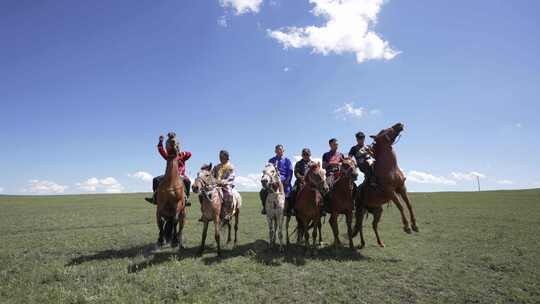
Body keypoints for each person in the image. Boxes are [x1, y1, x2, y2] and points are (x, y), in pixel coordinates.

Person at [145, 132, 192, 205]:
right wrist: (160, 141)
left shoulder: (181, 157)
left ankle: (186, 198)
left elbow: (189, 154)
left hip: (180, 175)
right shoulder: (168, 157)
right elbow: (161, 151)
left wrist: (182, 153)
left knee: (188, 181)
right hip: (168, 175)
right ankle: (155, 197)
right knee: (155, 180)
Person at [259, 144, 293, 215]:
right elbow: (267, 171)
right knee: (262, 192)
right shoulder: (271, 160)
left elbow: (290, 172)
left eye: (280, 150)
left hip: (284, 181)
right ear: (275, 151)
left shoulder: (287, 160)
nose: (279, 151)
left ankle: (290, 209)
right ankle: (265, 208)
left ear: (283, 151)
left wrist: (287, 181)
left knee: (291, 193)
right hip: (273, 182)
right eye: (277, 150)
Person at [321, 138, 345, 214]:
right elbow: (323, 166)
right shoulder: (326, 155)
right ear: (330, 145)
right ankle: (324, 206)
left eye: (337, 144)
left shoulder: (341, 155)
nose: (336, 145)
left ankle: (351, 204)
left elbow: (344, 165)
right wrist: (331, 163)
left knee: (351, 185)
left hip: (340, 174)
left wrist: (340, 164)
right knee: (326, 187)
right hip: (330, 174)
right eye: (334, 144)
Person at [288, 148, 312, 216]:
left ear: (309, 154)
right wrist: (301, 178)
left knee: (320, 190)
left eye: (307, 154)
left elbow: (316, 172)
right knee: (293, 191)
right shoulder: (298, 163)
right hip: (300, 181)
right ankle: (292, 208)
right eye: (304, 154)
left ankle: (322, 208)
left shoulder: (313, 163)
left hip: (311, 182)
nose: (305, 156)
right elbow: (296, 172)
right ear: (302, 155)